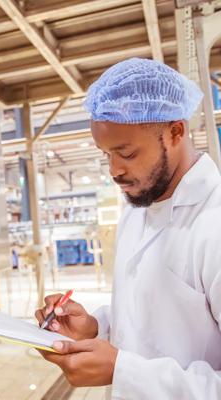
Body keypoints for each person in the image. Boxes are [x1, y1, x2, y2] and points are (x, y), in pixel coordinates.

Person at [35, 58, 221, 399]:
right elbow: (148, 317)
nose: (114, 171)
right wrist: (96, 327)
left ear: (176, 132)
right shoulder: (138, 207)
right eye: (106, 155)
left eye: (127, 152)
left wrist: (124, 371)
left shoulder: (214, 221)